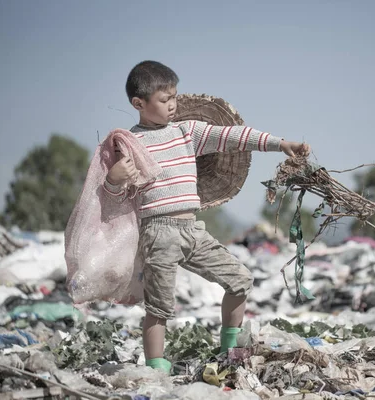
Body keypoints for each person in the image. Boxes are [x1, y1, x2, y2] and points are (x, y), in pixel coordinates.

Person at [104, 60, 310, 373]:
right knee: (159, 308)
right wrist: (114, 178)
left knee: (240, 280)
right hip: (157, 232)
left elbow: (235, 136)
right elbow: (109, 196)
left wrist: (280, 144)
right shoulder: (130, 144)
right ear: (139, 103)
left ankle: (229, 351)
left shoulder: (188, 133)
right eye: (164, 100)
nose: (172, 105)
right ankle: (157, 370)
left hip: (192, 230)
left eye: (174, 96)